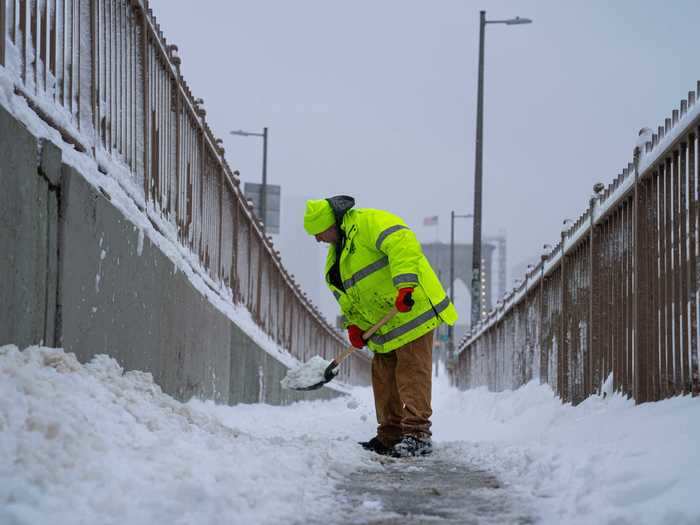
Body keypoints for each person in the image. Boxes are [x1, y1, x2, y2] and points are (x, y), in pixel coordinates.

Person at [303, 196, 457, 457]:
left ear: (330, 224)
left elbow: (402, 242)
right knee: (383, 379)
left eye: (318, 232)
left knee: (411, 374)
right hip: (383, 328)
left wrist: (405, 284)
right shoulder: (335, 260)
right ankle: (390, 435)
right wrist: (354, 327)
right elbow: (348, 299)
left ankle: (418, 435)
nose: (317, 239)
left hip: (410, 312)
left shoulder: (368, 223)